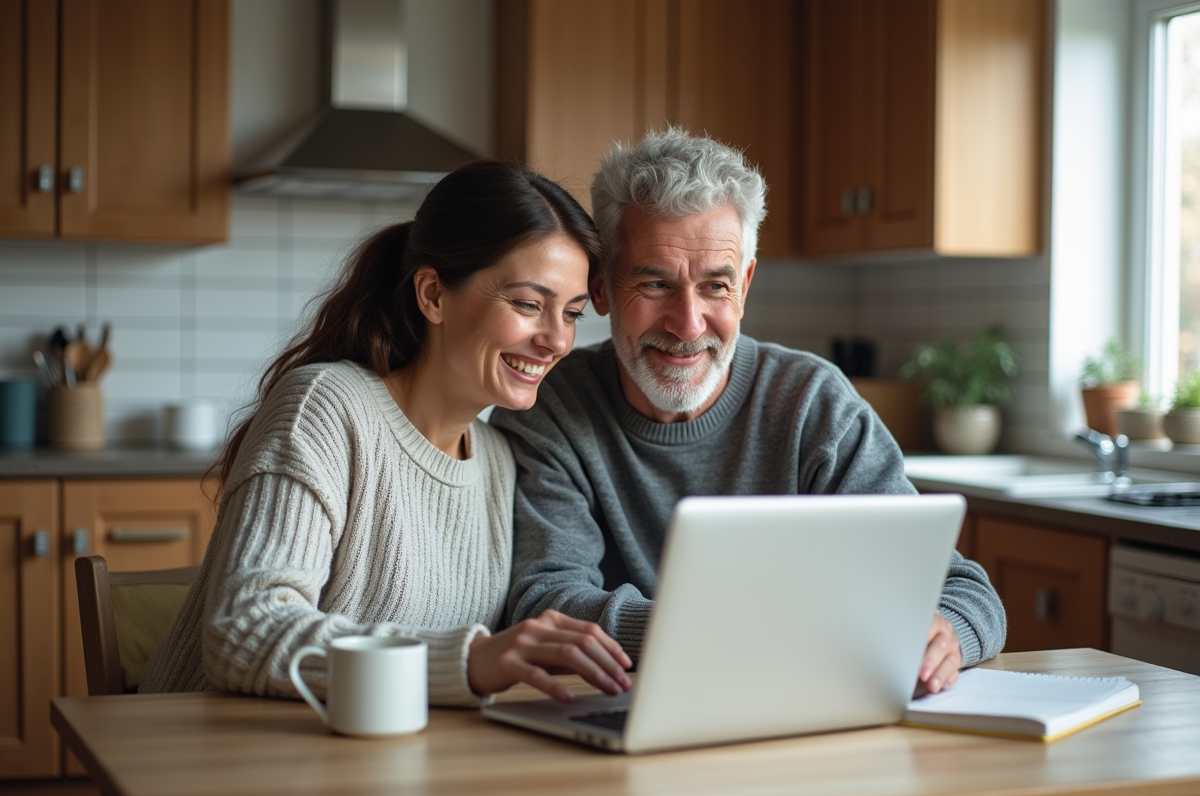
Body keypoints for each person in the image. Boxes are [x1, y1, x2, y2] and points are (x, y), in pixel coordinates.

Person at [490, 129, 1007, 696]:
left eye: (716, 286)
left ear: (746, 286)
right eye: (656, 283)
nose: (688, 325)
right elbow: (547, 603)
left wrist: (946, 634)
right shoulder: (552, 407)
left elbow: (963, 590)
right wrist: (741, 631)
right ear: (604, 287)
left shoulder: (814, 403)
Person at [140, 162, 632, 706]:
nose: (557, 340)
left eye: (572, 313)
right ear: (433, 295)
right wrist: (465, 661)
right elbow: (245, 632)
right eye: (528, 304)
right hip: (214, 753)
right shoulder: (325, 408)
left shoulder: (500, 461)